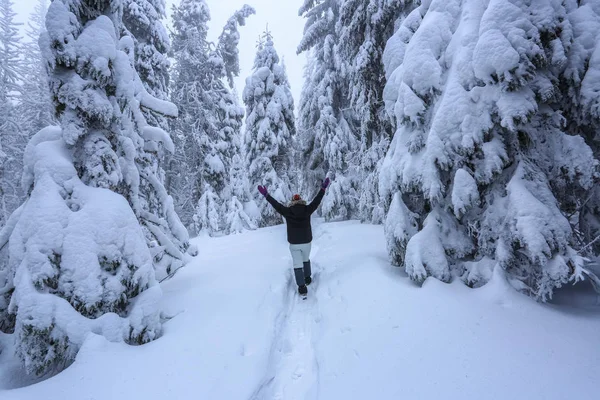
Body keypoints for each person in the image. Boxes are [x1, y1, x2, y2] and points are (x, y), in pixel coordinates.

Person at [257, 178, 331, 295]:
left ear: (292, 202)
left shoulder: (287, 211)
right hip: (307, 242)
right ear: (301, 201)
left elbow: (276, 205)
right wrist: (323, 188)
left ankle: (302, 288)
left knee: (297, 264)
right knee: (305, 260)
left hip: (294, 243)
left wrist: (266, 195)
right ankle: (307, 278)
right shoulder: (307, 209)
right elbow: (317, 200)